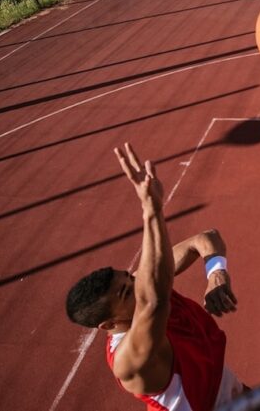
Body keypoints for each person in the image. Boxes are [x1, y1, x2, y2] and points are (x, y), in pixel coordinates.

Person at [65, 143, 244, 411]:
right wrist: (152, 211)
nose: (135, 284)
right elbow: (154, 302)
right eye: (126, 291)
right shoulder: (130, 361)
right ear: (109, 323)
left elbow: (205, 239)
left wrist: (216, 273)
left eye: (128, 276)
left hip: (234, 393)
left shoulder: (142, 287)